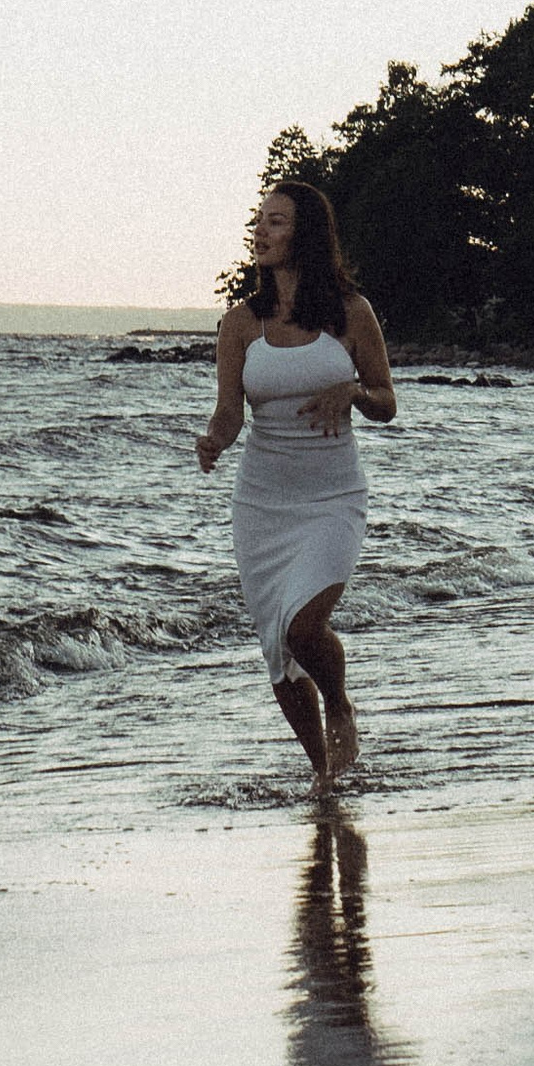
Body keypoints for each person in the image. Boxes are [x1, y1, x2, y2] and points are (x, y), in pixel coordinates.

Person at [195, 177, 397, 781]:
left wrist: (353, 391)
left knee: (305, 627)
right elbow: (230, 410)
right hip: (262, 504)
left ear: (305, 233)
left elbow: (387, 401)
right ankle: (324, 778)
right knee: (277, 647)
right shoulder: (241, 324)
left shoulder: (352, 314)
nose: (261, 230)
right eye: (258, 220)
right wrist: (213, 440)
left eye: (276, 221)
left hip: (333, 498)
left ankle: (339, 704)